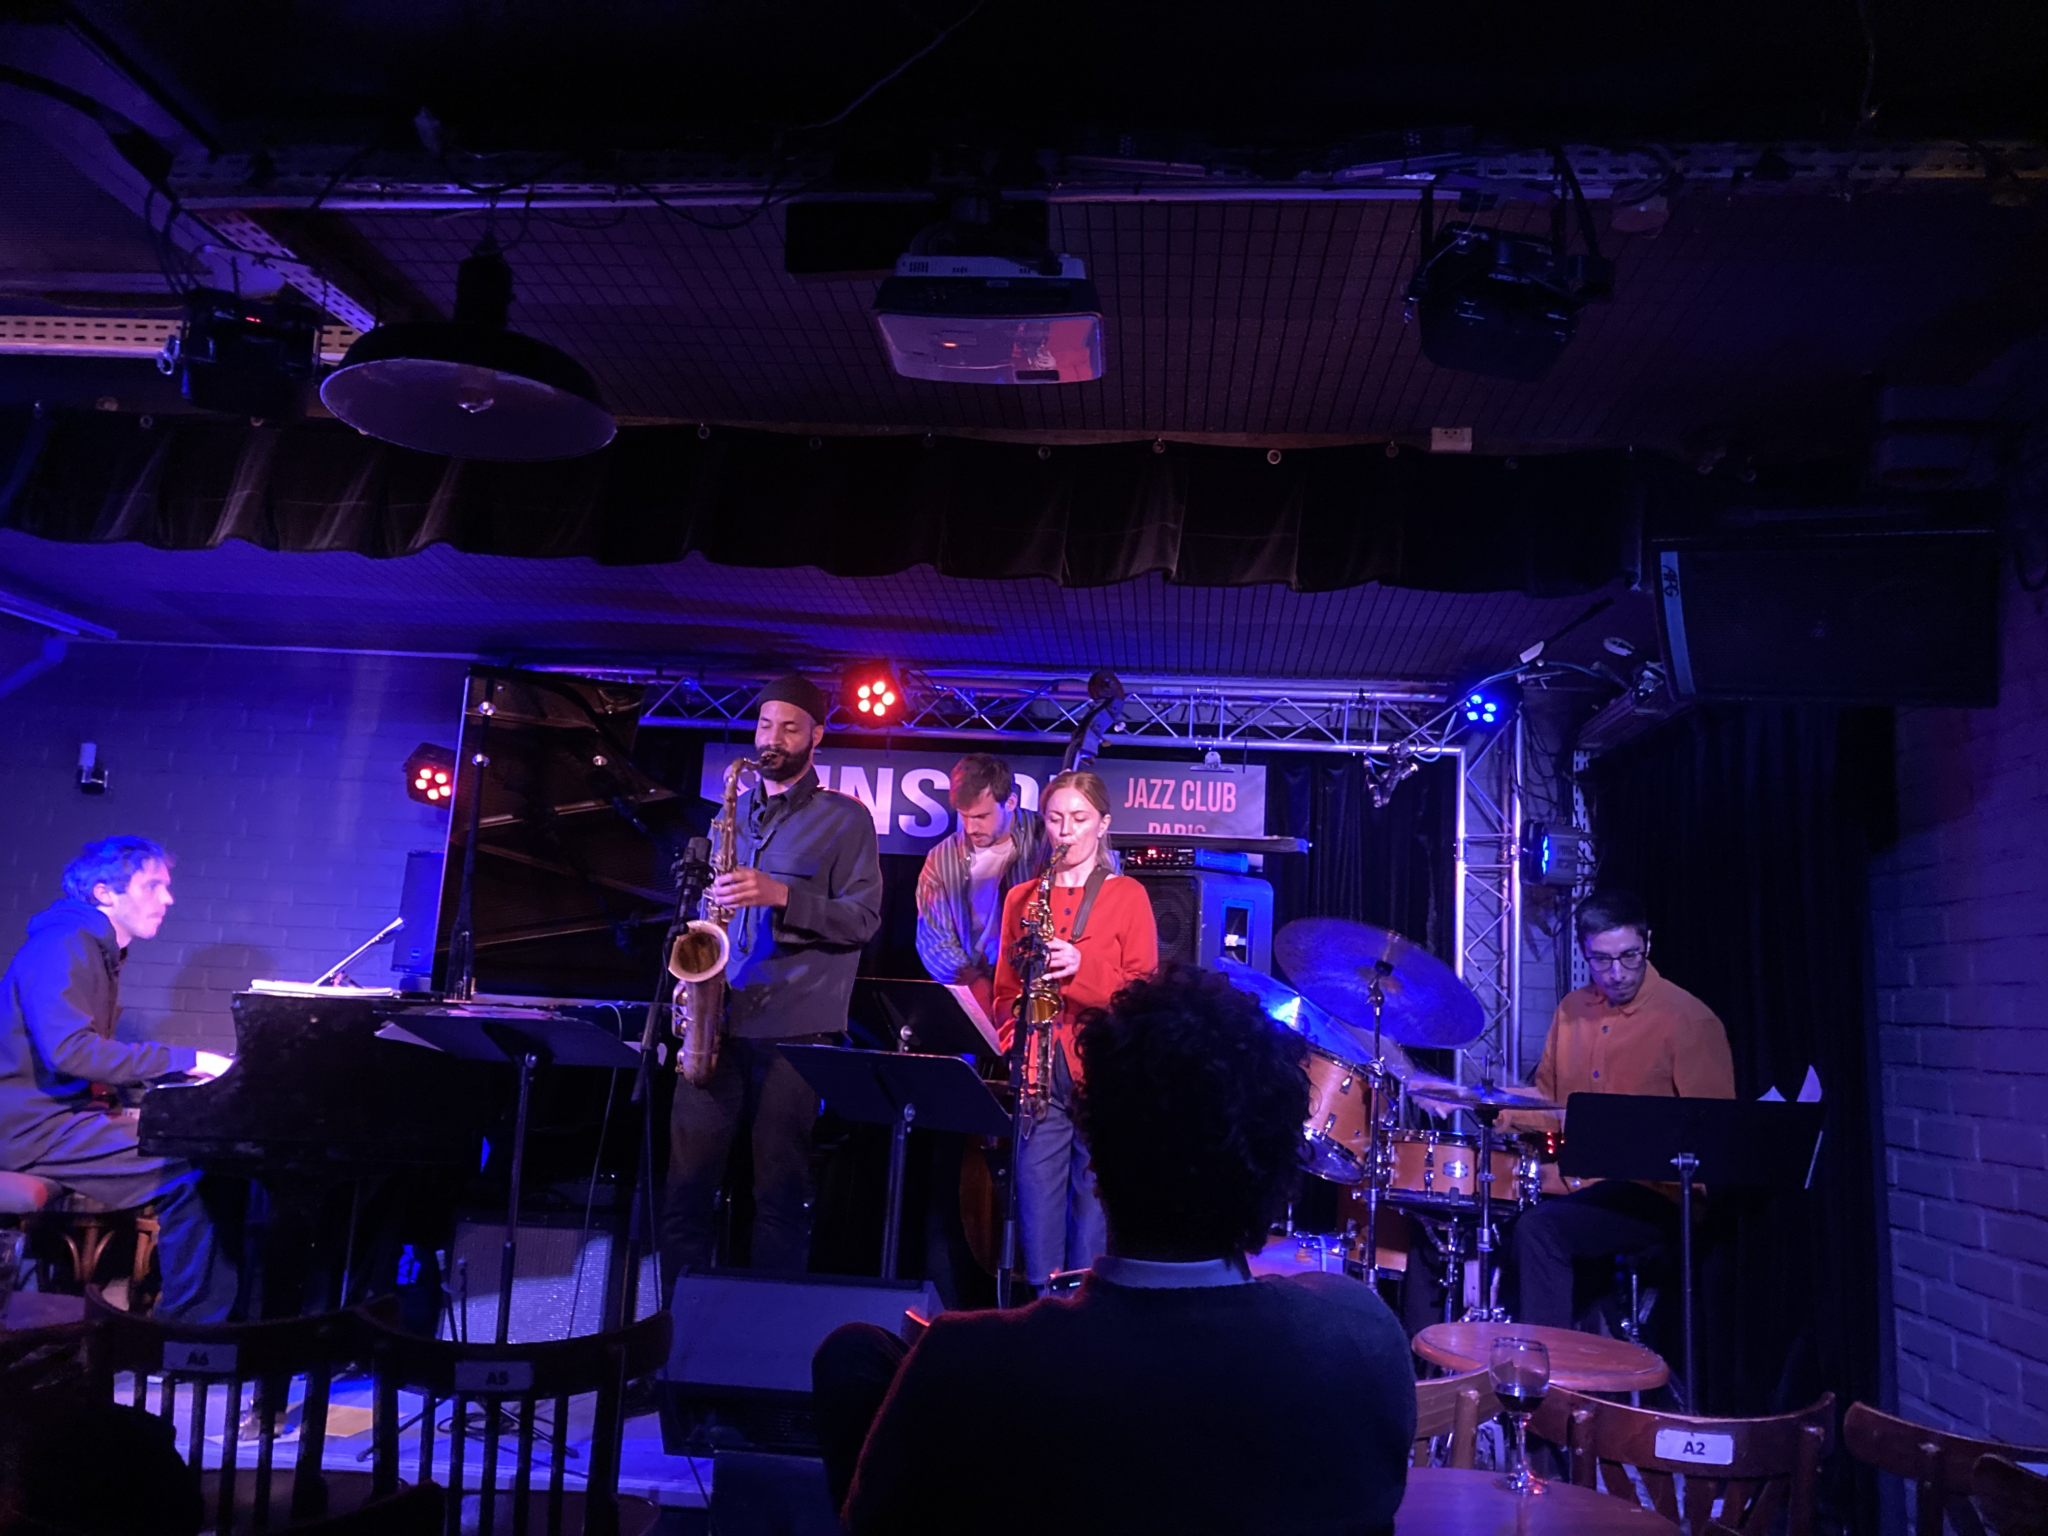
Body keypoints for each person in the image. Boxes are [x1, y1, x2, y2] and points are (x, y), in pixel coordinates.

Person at [812, 965, 1417, 1534]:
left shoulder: (961, 1364)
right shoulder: (1360, 1339)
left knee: (854, 1355)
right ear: (1282, 1177)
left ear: (1094, 1159)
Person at [660, 674, 883, 1286]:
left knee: (780, 1196)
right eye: (764, 725)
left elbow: (863, 920)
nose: (772, 739)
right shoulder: (726, 818)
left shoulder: (846, 820)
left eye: (789, 728)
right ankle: (675, 1328)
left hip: (794, 1029)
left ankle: (768, 1332)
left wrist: (782, 895)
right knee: (684, 1192)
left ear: (817, 736)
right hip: (718, 1022)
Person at [0, 837, 237, 1322]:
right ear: (104, 892)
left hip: (50, 1123)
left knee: (203, 1155)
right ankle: (188, 1339)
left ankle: (192, 1324)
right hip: (28, 1130)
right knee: (194, 1167)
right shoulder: (63, 944)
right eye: (153, 886)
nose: (168, 898)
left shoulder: (90, 948)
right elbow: (70, 1051)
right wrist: (189, 1059)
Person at [1502, 888, 1735, 1330]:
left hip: (1657, 1194)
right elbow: (1552, 1104)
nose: (1617, 973)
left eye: (1629, 956)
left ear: (1648, 943)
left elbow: (1714, 1135)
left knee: (1541, 1230)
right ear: (1584, 953)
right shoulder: (1571, 1011)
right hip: (1579, 1183)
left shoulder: (1687, 1019)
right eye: (1602, 960)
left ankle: (1546, 1366)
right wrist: (1491, 1105)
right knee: (1481, 1207)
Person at [989, 769, 1157, 1286]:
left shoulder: (1127, 895)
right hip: (1038, 1071)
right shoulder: (1021, 898)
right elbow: (1003, 992)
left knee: (1092, 1219)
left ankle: (1087, 1315)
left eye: (1079, 819)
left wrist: (1082, 969)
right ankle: (1043, 1313)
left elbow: (1143, 994)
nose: (1065, 831)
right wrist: (1015, 1041)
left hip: (1102, 1070)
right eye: (1055, 819)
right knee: (1035, 1214)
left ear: (1103, 824)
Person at [913, 753, 1050, 1020]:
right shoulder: (941, 858)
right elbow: (934, 940)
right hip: (978, 988)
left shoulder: (1045, 838)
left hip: (1037, 986)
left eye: (982, 816)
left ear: (1010, 802)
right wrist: (974, 983)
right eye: (964, 816)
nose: (970, 827)